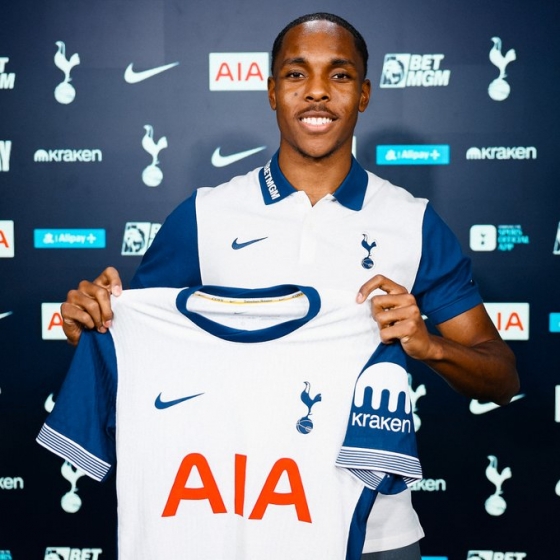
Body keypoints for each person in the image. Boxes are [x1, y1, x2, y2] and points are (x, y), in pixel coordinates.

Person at [57, 12, 519, 560]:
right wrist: (92, 324)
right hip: (234, 527)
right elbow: (142, 354)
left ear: (364, 94)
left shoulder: (412, 221)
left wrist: (429, 346)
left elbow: (501, 377)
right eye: (297, 74)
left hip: (376, 535)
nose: (317, 91)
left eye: (339, 75)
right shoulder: (205, 215)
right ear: (272, 91)